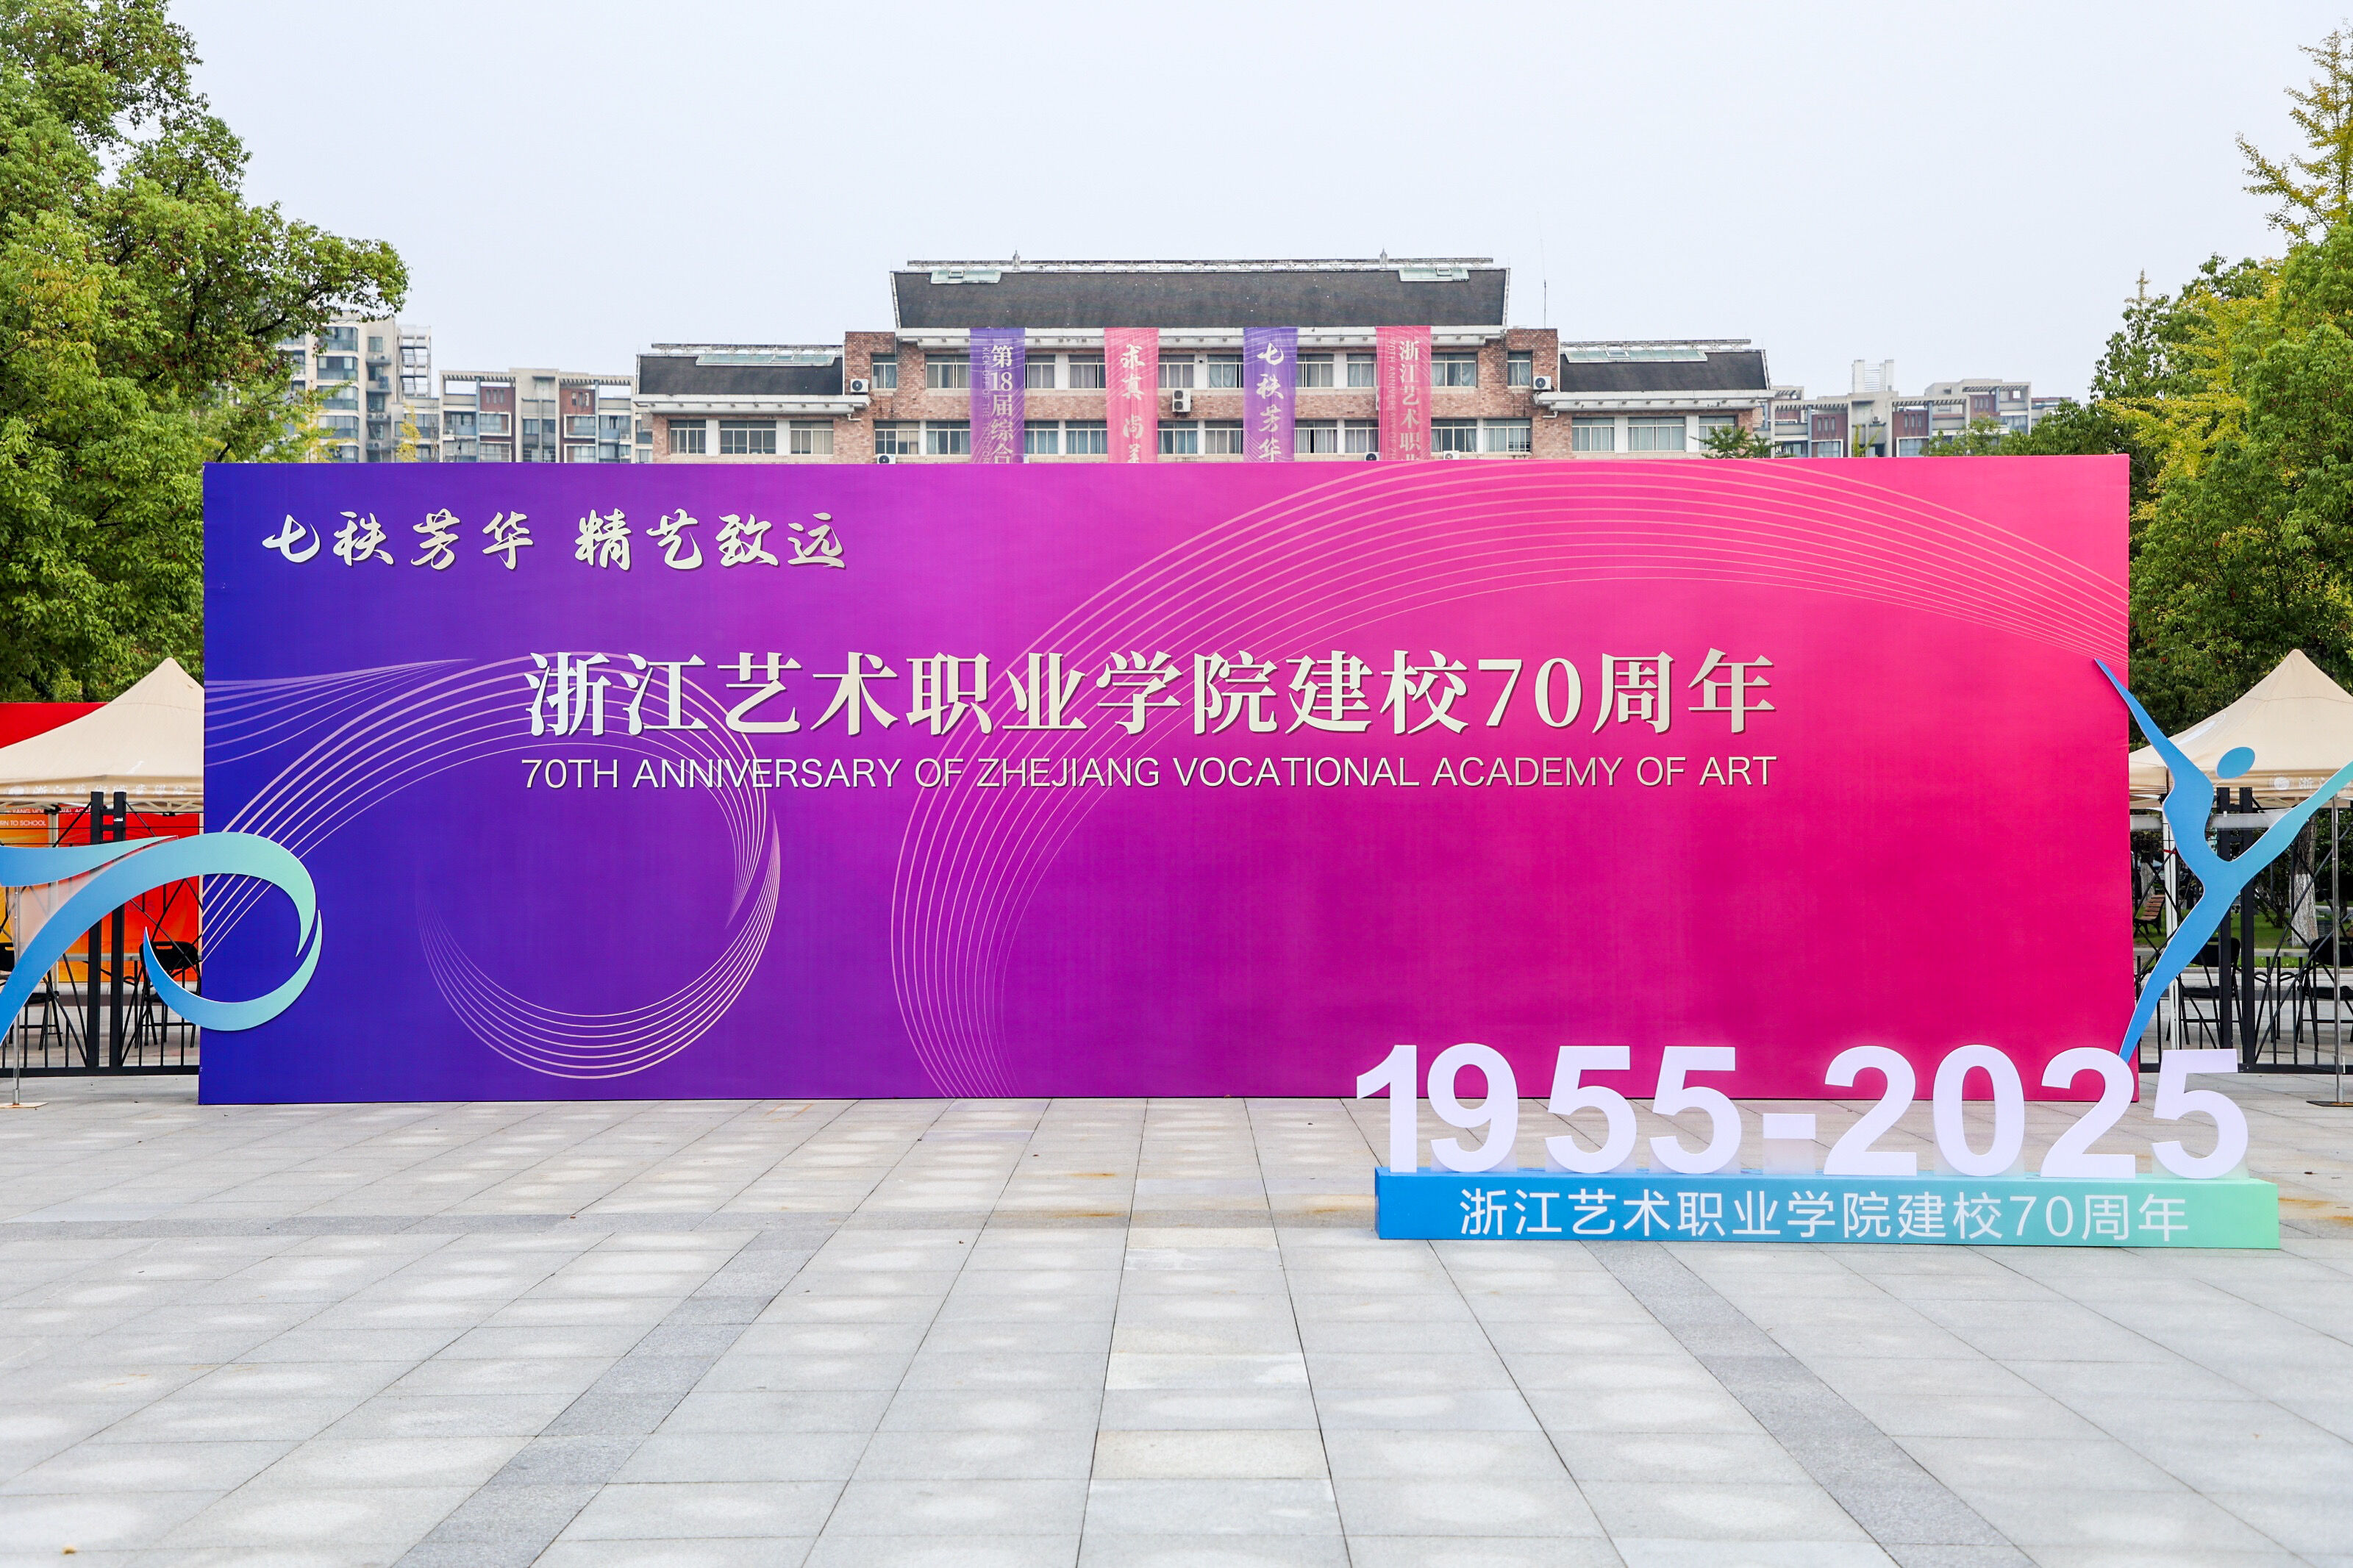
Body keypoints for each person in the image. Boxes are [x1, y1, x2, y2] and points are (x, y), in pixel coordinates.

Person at [2104, 660, 2353, 1058]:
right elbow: (2156, 734)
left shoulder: (2198, 788)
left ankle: (2121, 1058)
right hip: (2217, 889)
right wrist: (2117, 685)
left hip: (2217, 892)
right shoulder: (2197, 784)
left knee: (2159, 978)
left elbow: (2317, 799)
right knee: (2159, 978)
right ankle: (2121, 1058)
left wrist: (2120, 686)